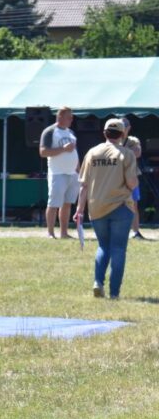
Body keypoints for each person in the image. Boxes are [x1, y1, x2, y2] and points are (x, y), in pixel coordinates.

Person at [74, 118, 138, 299]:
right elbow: (132, 183)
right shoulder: (127, 154)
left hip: (96, 207)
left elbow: (83, 185)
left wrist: (79, 209)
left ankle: (98, 282)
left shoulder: (92, 153)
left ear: (104, 133)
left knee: (103, 246)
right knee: (118, 249)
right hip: (121, 207)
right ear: (123, 134)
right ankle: (114, 293)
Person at [39, 107, 79, 239]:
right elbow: (43, 152)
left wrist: (79, 171)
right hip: (57, 173)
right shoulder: (50, 131)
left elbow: (74, 153)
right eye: (69, 117)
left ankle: (64, 233)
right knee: (53, 204)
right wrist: (63, 149)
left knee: (67, 203)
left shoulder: (71, 132)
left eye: (72, 117)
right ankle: (50, 233)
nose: (71, 119)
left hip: (72, 174)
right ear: (60, 116)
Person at [120, 117, 146, 239]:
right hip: (116, 177)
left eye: (125, 125)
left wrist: (121, 151)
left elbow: (137, 153)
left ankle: (135, 232)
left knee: (133, 204)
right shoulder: (113, 139)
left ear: (129, 128)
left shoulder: (133, 140)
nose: (122, 128)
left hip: (131, 176)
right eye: (120, 125)